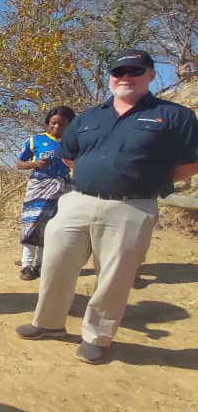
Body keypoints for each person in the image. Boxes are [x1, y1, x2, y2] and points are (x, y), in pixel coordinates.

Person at [15, 49, 198, 363]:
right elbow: (70, 156)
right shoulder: (89, 116)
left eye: (134, 71)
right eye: (118, 72)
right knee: (56, 265)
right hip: (77, 201)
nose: (125, 77)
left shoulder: (174, 115)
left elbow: (190, 163)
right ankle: (48, 324)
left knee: (113, 277)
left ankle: (96, 337)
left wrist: (149, 180)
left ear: (150, 75)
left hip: (132, 207)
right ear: (110, 77)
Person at [15, 106, 76, 280]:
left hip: (62, 188)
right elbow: (20, 164)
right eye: (53, 123)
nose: (57, 127)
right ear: (47, 123)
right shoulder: (35, 141)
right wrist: (35, 164)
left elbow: (77, 164)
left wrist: (71, 164)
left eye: (62, 125)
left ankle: (41, 265)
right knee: (31, 224)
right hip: (38, 186)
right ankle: (26, 265)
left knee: (50, 227)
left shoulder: (71, 144)